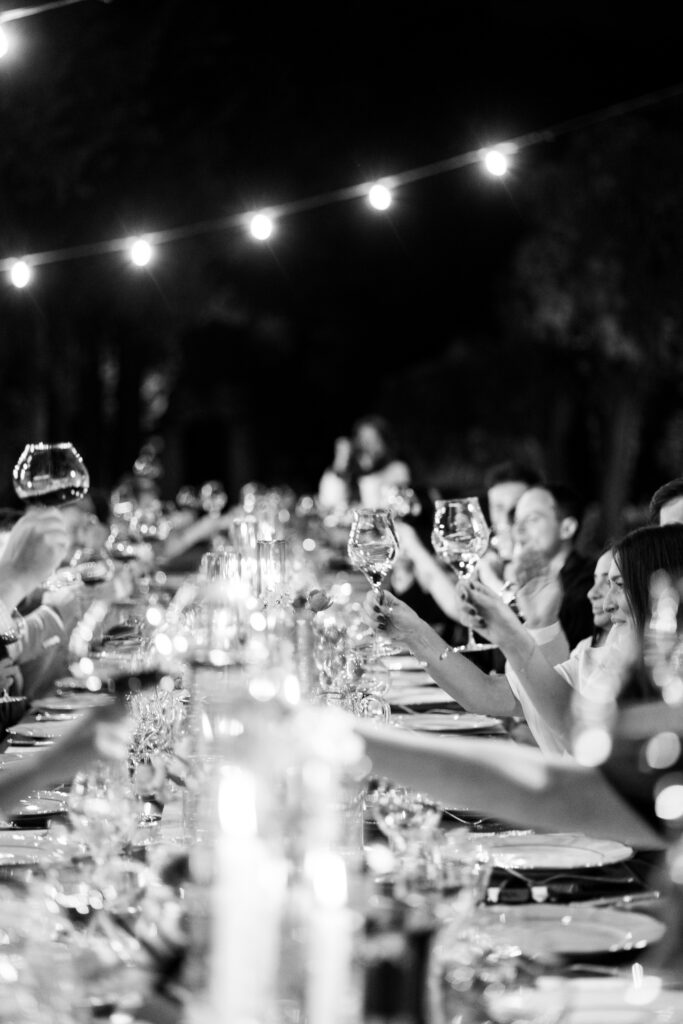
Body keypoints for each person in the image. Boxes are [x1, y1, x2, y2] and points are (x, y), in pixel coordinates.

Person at [367, 525, 683, 755]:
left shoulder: (670, 680)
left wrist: (512, 636)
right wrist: (414, 633)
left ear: (660, 588)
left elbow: (580, 734)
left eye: (618, 584)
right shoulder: (604, 657)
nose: (601, 598)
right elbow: (486, 695)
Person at [511, 482, 594, 650]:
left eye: (532, 519)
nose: (518, 530)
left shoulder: (591, 581)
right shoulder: (519, 582)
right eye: (516, 521)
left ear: (567, 528)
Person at [318, 414, 411, 512]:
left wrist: (368, 471)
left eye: (373, 440)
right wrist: (341, 463)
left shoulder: (397, 469)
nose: (367, 446)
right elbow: (327, 503)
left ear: (385, 443)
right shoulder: (347, 472)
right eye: (362, 440)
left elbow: (386, 509)